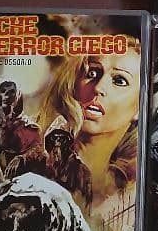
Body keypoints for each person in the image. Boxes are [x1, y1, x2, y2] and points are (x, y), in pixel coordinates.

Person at [35, 36, 142, 212]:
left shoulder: (130, 200)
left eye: (119, 80)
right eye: (92, 73)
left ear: (139, 107)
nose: (98, 87)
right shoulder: (31, 164)